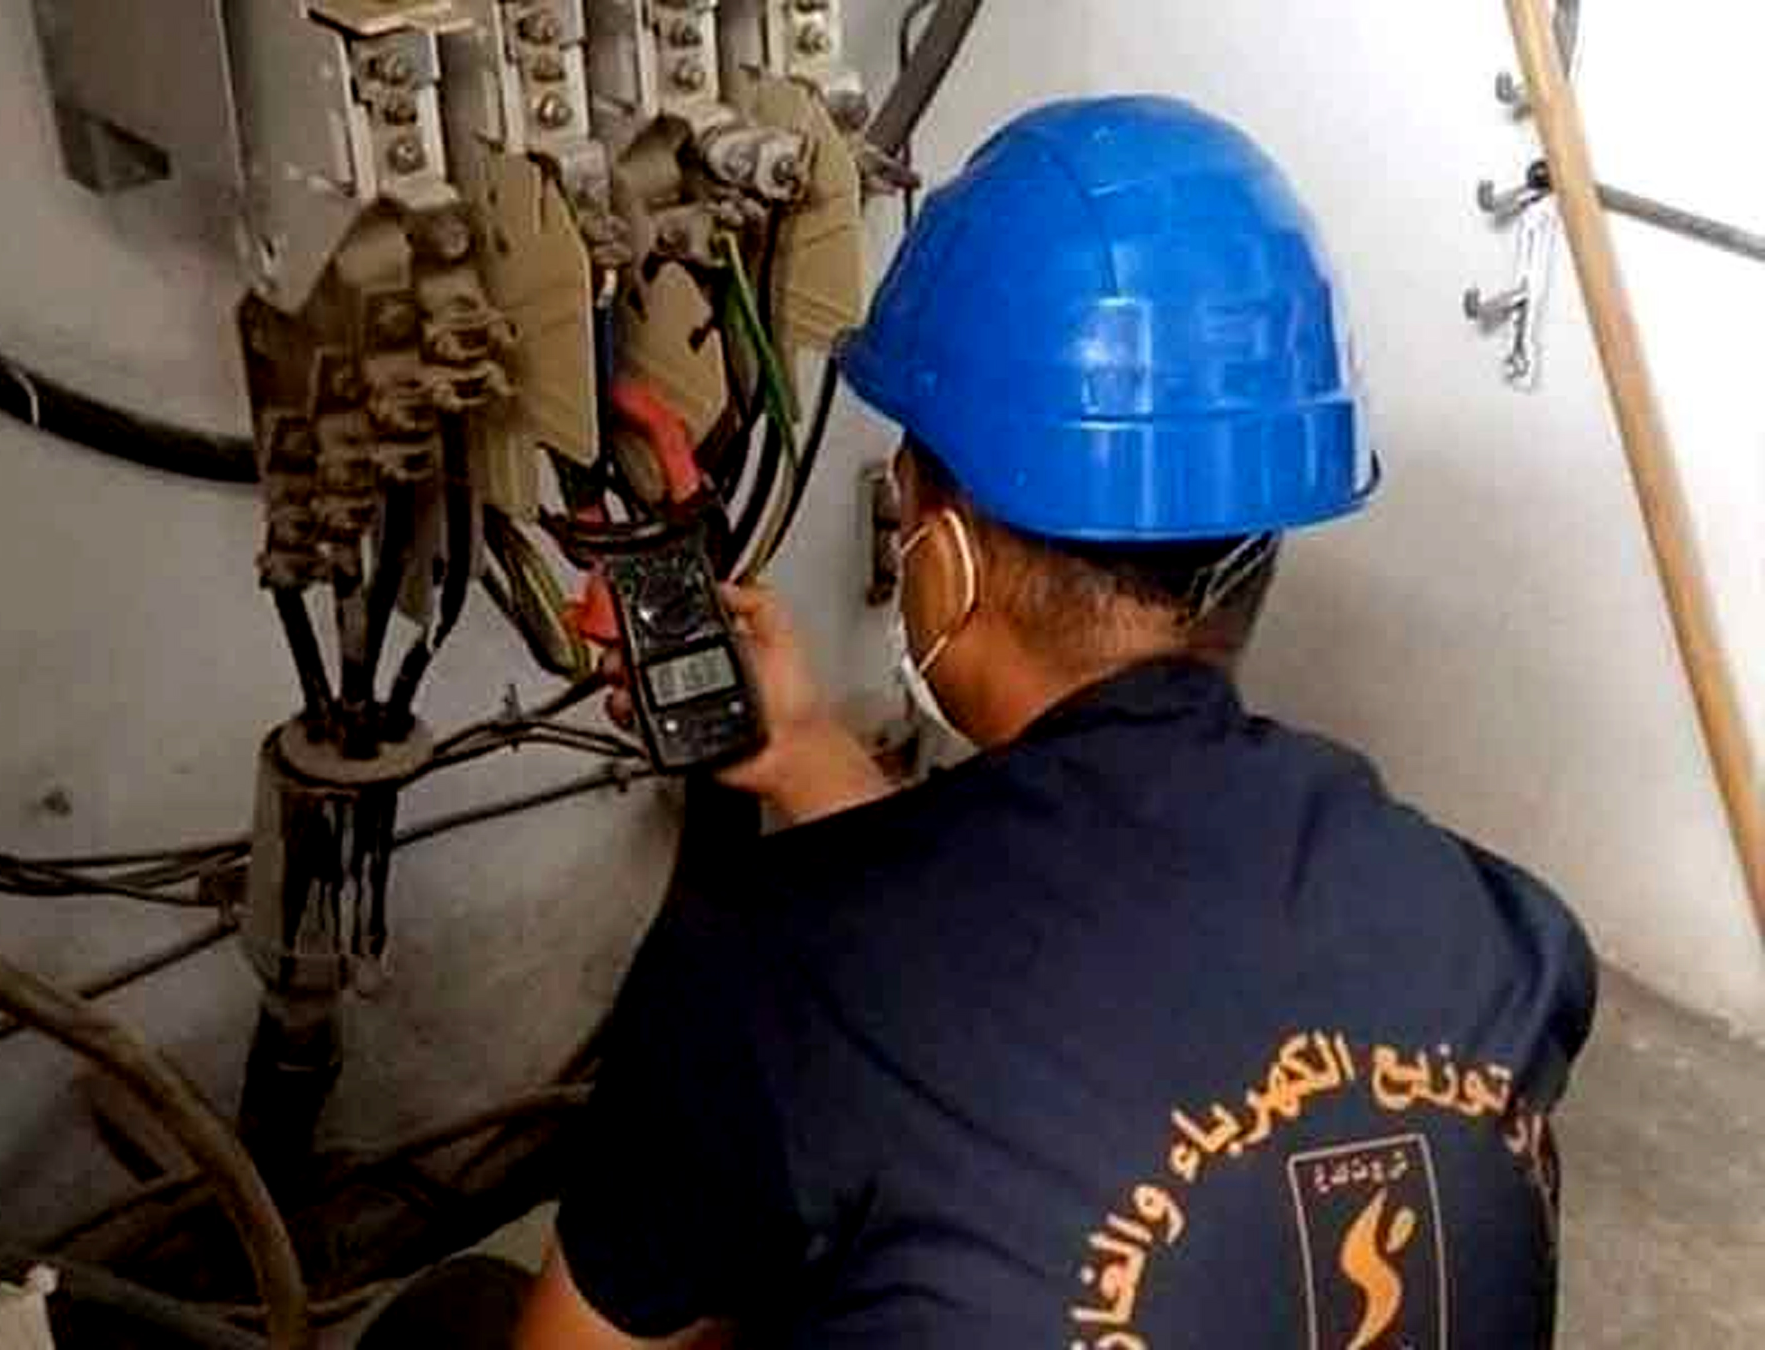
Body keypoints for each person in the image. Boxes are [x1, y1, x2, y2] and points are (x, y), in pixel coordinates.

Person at [515, 97, 1596, 1349]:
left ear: (944, 550)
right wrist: (808, 756)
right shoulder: (1492, 928)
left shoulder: (758, 979)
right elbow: (1068, 1004)